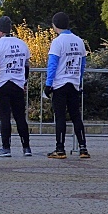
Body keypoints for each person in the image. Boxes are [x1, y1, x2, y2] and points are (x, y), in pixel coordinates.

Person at [44, 12, 90, 159]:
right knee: (76, 115)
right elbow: (83, 64)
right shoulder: (79, 41)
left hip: (60, 83)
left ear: (55, 25)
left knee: (60, 117)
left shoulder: (58, 42)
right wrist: (79, 79)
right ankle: (83, 148)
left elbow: (52, 64)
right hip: (74, 82)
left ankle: (60, 148)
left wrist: (48, 84)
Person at [0, 16, 32, 157]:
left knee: (4, 117)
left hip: (2, 84)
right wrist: (24, 82)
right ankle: (26, 148)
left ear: (0, 30)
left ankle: (6, 148)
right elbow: (26, 66)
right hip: (18, 84)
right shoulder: (22, 44)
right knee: (20, 117)